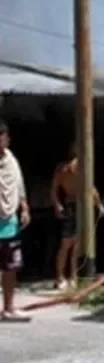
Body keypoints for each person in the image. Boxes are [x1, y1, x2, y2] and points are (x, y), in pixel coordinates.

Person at [50, 143, 104, 291]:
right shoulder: (65, 168)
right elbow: (55, 188)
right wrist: (57, 205)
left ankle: (72, 277)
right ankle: (61, 277)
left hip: (81, 205)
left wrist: (98, 204)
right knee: (67, 243)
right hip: (71, 205)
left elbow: (90, 188)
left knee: (76, 245)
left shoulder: (80, 166)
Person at [0, 121, 30, 322]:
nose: (6, 139)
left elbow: (19, 185)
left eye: (5, 135)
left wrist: (25, 207)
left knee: (10, 268)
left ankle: (9, 307)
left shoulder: (11, 159)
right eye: (3, 135)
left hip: (9, 221)